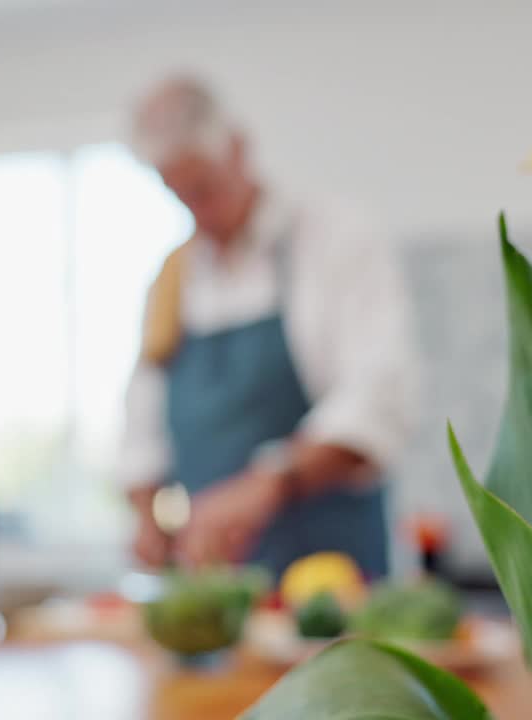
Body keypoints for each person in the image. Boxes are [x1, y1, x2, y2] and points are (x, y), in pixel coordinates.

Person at [118, 75, 418, 579]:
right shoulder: (171, 280)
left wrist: (265, 484)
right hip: (215, 585)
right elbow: (139, 432)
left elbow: (378, 396)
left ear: (238, 148)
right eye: (178, 194)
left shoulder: (333, 239)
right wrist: (147, 514)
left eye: (205, 189)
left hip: (333, 575)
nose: (197, 211)